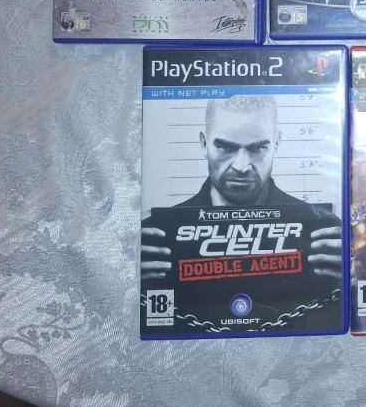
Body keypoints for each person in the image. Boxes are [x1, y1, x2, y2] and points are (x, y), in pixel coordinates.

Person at [141, 94, 342, 281]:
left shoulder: (325, 233)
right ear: (204, 144)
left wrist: (352, 278)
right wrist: (130, 277)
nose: (241, 166)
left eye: (258, 148)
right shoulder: (153, 238)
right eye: (226, 147)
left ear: (277, 143)